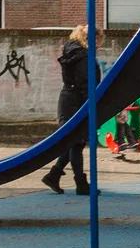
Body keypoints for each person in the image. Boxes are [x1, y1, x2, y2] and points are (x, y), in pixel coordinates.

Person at [42, 25, 101, 194]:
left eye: (97, 37)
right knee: (76, 142)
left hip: (70, 99)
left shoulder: (76, 53)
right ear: (83, 38)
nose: (96, 41)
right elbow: (86, 83)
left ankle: (54, 176)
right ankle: (80, 184)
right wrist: (89, 106)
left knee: (74, 142)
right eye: (92, 37)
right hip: (76, 101)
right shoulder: (83, 57)